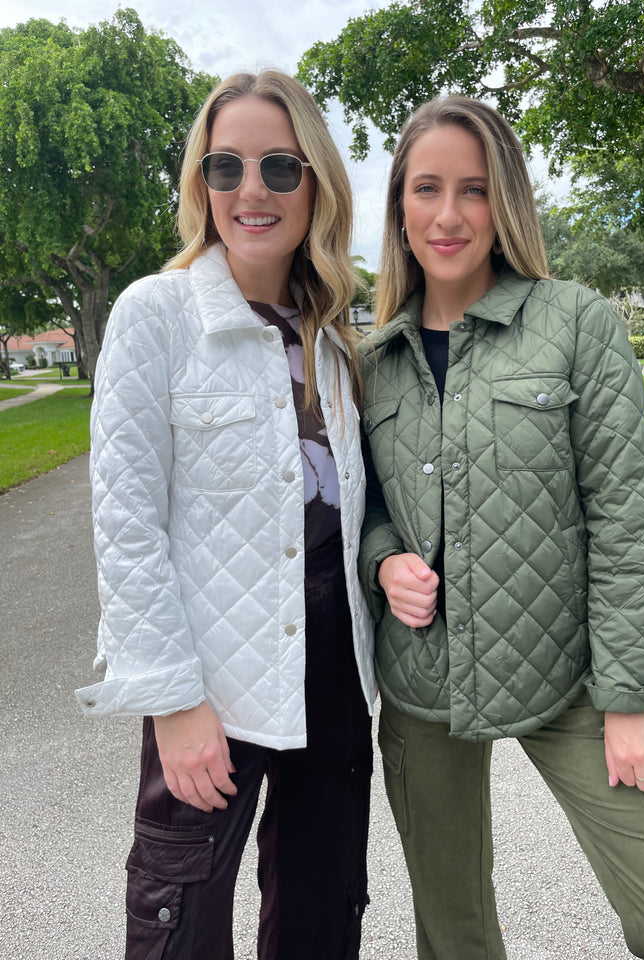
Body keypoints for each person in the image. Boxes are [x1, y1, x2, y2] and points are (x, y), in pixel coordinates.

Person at [358, 95, 644, 960]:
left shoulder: (576, 323)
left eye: (475, 190)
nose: (449, 215)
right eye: (427, 188)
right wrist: (382, 564)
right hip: (423, 685)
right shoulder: (372, 360)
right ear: (399, 206)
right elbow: (362, 505)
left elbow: (628, 517)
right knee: (454, 934)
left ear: (506, 202)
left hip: (572, 675)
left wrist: (631, 697)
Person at [75, 70, 376, 960]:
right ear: (199, 184)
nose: (252, 191)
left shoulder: (333, 329)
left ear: (316, 182)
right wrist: (171, 699)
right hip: (211, 669)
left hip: (332, 666)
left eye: (280, 168)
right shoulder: (155, 315)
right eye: (226, 166)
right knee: (182, 916)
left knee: (325, 909)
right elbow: (127, 521)